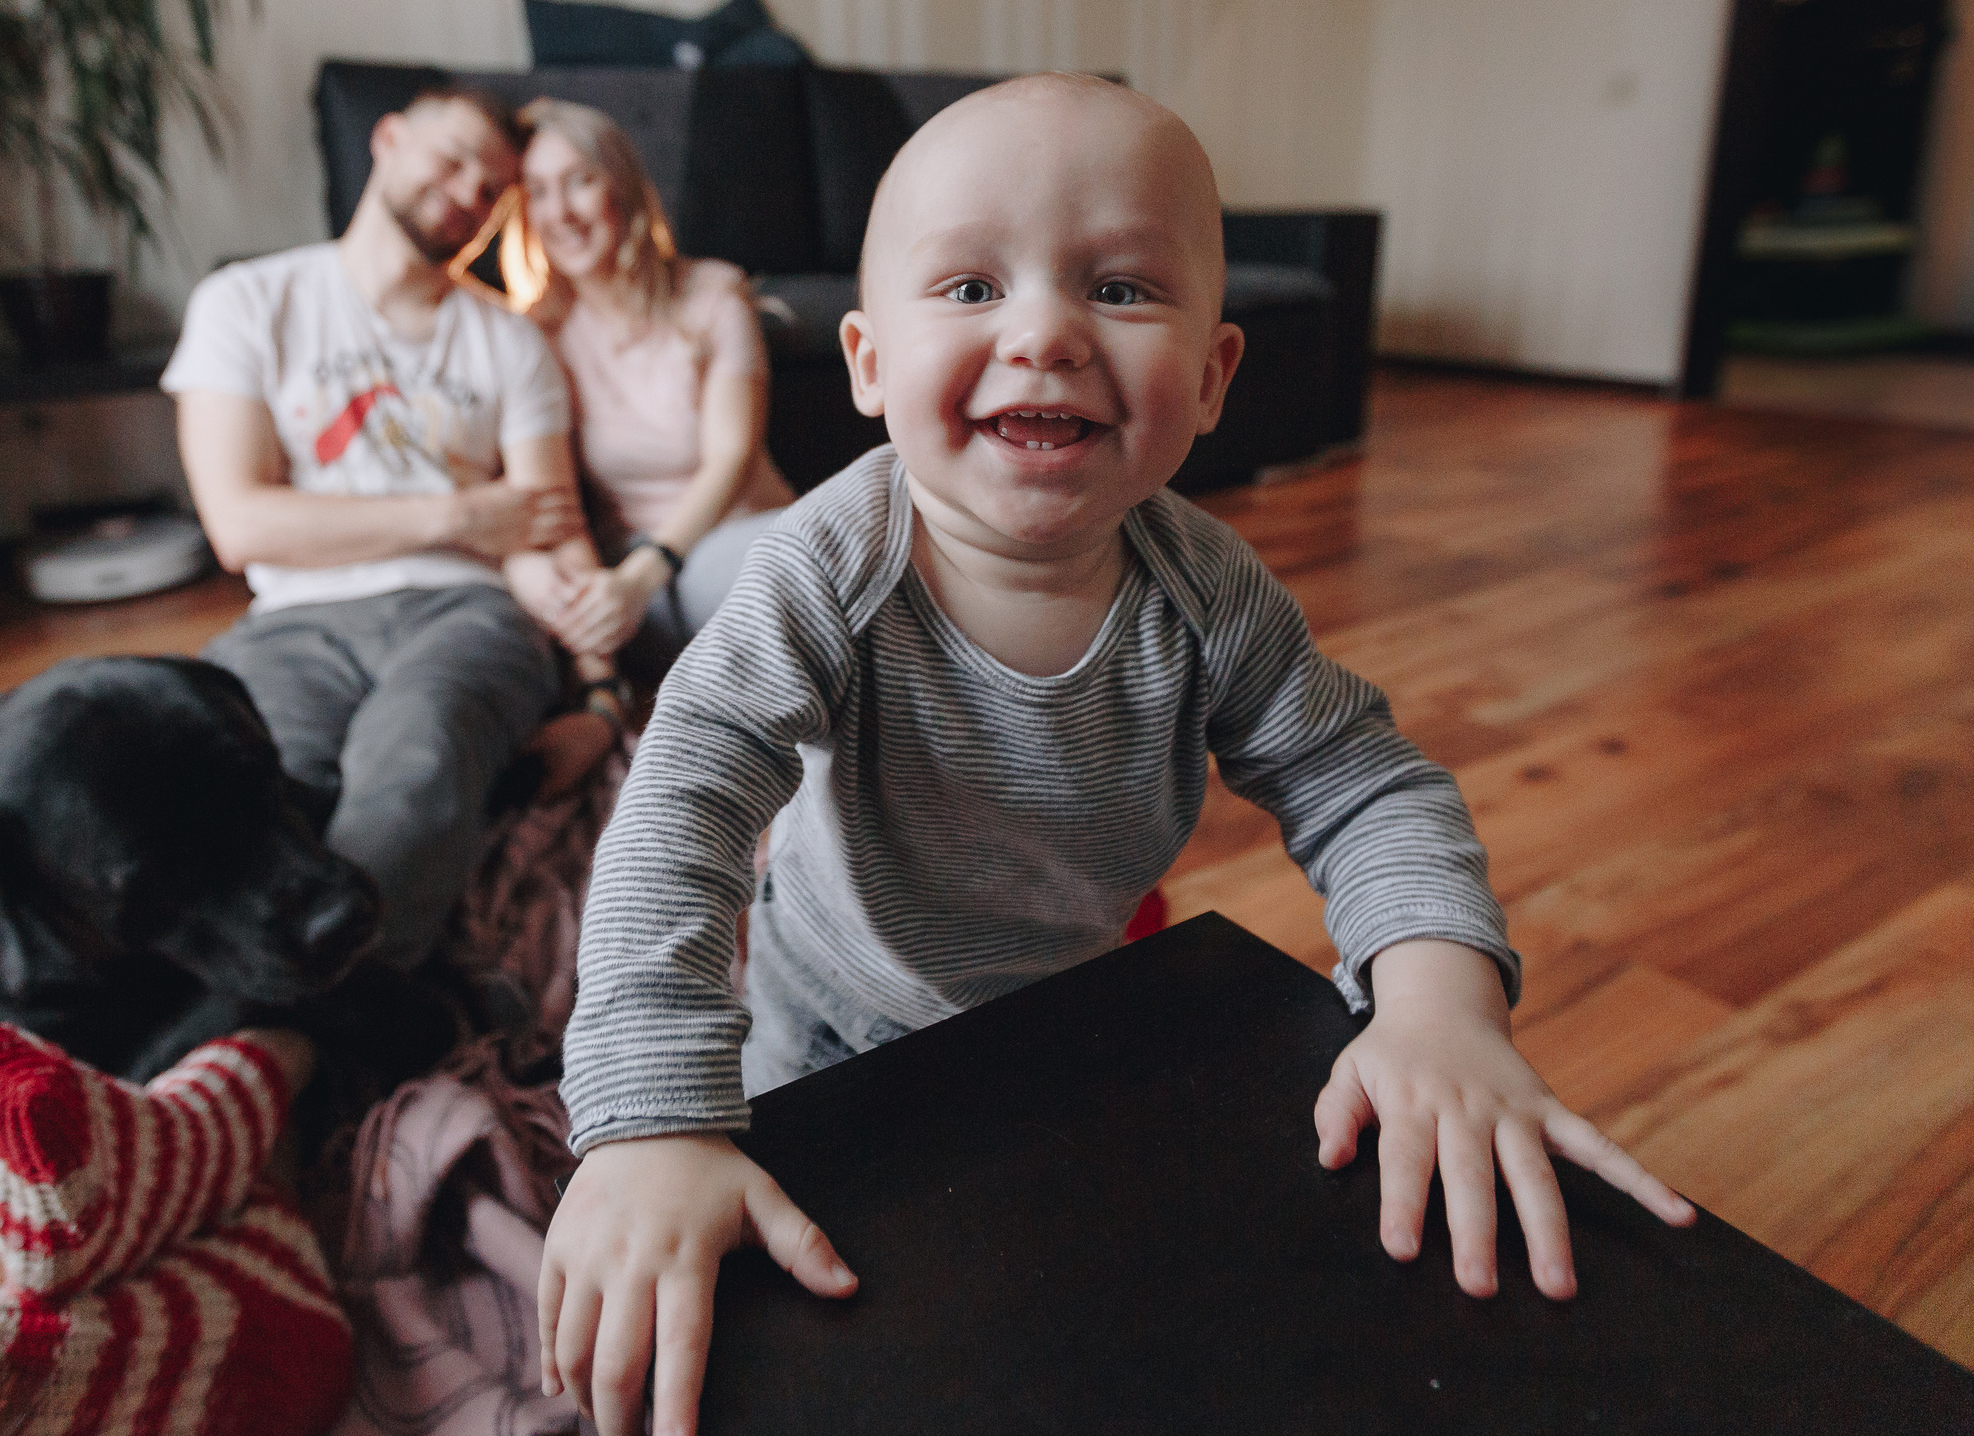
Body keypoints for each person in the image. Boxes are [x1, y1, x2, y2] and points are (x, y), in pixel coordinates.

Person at [536, 75, 1697, 1436]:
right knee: (798, 1332)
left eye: (1125, 288)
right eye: (970, 286)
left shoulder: (1210, 594)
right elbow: (682, 802)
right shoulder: (820, 572)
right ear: (864, 363)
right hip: (832, 1024)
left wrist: (1437, 1001)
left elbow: (1363, 779)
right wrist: (655, 1121)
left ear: (1211, 377)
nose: (1043, 331)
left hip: (1075, 1020)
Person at [163, 85, 597, 970]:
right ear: (388, 137)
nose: (469, 193)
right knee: (257, 787)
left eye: (491, 189)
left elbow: (549, 531)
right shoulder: (247, 301)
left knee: (419, 756)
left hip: (467, 611)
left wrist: (600, 689)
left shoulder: (511, 345)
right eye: (453, 158)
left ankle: (294, 1039)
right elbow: (241, 524)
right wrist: (459, 512)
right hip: (294, 620)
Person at [499, 97, 794, 675]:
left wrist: (642, 577)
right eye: (537, 191)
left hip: (740, 537)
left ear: (623, 188)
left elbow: (731, 457)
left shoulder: (713, 295)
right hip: (637, 573)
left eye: (579, 182)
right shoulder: (538, 335)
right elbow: (527, 491)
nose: (560, 212)